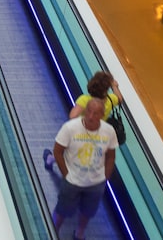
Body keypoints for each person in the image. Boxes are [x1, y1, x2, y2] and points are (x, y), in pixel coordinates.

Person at [48, 98, 117, 239]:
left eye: (96, 113)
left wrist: (105, 177)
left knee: (88, 211)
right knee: (62, 209)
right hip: (72, 182)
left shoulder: (109, 131)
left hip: (96, 183)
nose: (91, 116)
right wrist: (67, 174)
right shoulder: (70, 128)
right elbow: (58, 151)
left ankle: (79, 233)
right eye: (89, 112)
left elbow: (111, 155)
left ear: (102, 115)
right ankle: (52, 232)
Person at [45, 70, 123, 169]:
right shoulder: (111, 100)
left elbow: (73, 115)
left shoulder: (85, 100)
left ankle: (52, 159)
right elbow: (119, 98)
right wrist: (114, 86)